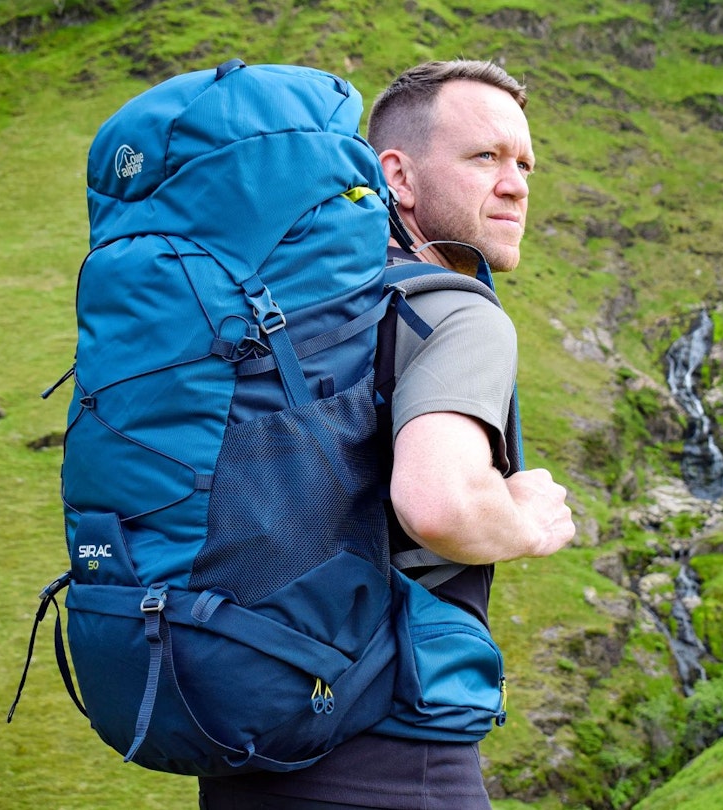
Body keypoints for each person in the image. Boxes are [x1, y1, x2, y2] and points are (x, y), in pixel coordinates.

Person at [197, 60, 576, 810]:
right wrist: (529, 520)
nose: (516, 183)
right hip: (395, 754)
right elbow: (440, 504)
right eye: (485, 157)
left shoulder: (283, 316)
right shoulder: (459, 312)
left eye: (525, 163)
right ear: (395, 175)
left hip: (247, 739)